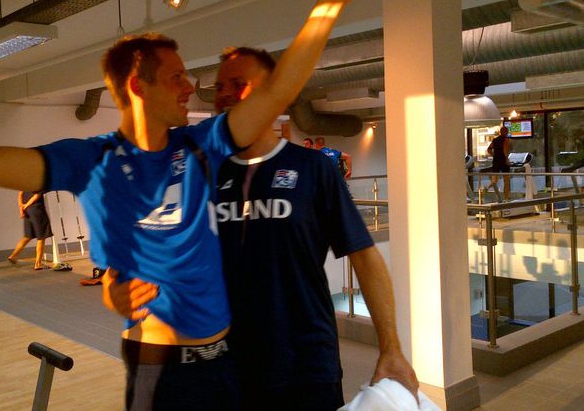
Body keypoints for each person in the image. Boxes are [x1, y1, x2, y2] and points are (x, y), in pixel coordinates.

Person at [0, 0, 377, 409]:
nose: (190, 87)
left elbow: (277, 91)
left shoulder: (199, 144)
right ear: (139, 87)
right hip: (163, 368)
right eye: (177, 77)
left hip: (226, 361)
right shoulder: (93, 160)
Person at [106, 43, 418, 410]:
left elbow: (365, 258)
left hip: (304, 368)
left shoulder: (313, 169)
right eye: (220, 87)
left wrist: (391, 347)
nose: (224, 95)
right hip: (221, 368)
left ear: (274, 95)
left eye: (238, 84)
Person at [7, 191, 53, 270]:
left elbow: (20, 193)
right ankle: (38, 264)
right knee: (41, 236)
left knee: (28, 236)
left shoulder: (25, 183)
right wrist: (26, 205)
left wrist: (21, 208)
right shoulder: (37, 183)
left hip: (27, 211)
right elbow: (37, 195)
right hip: (37, 210)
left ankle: (13, 256)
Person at [486, 126, 510, 201]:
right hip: (503, 161)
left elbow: (489, 149)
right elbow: (505, 150)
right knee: (506, 180)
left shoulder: (495, 140)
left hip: (496, 161)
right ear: (506, 132)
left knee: (494, 181)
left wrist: (494, 155)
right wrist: (506, 159)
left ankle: (485, 189)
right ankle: (506, 198)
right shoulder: (506, 139)